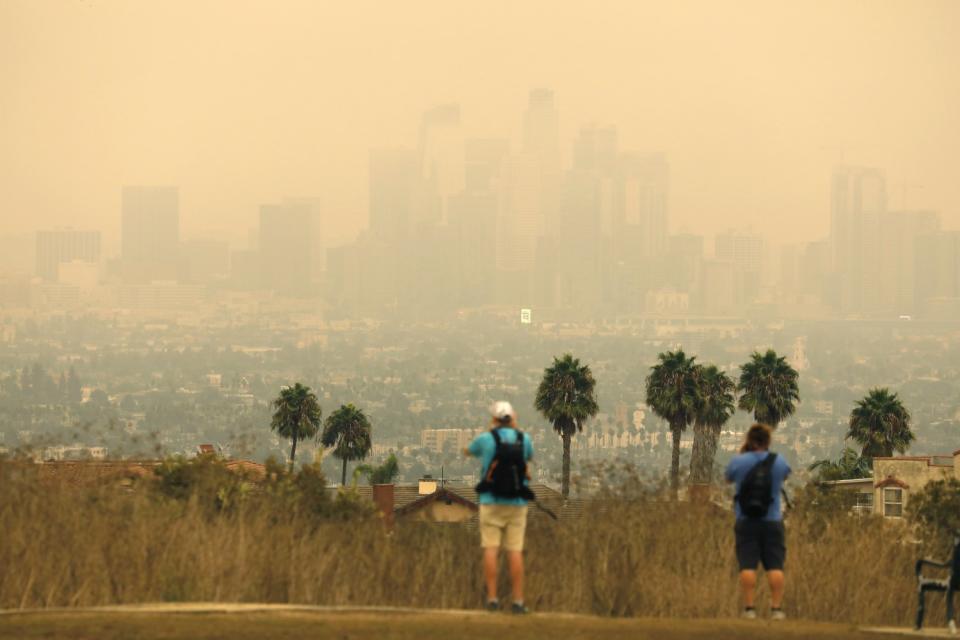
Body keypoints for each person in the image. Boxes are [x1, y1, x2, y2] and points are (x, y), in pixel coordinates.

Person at [464, 401, 534, 614]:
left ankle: (492, 599)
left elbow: (469, 451)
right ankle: (518, 601)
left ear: (494, 418)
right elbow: (528, 458)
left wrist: (490, 431)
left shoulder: (486, 439)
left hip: (490, 500)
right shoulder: (524, 439)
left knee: (491, 549)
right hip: (517, 502)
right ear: (512, 417)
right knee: (514, 551)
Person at [725, 423, 792, 621]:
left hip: (746, 521)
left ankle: (749, 609)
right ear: (768, 441)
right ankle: (777, 609)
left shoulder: (739, 461)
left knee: (747, 565)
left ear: (749, 440)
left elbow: (728, 478)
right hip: (772, 521)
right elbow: (786, 475)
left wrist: (743, 453)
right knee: (775, 567)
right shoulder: (778, 461)